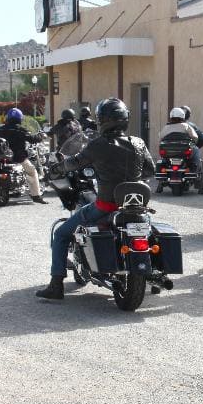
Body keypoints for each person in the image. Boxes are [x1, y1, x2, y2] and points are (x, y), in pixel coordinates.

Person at [35, 98, 155, 301]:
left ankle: (56, 286)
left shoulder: (98, 145)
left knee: (62, 233)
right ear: (125, 119)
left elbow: (74, 162)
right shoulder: (138, 142)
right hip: (136, 207)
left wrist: (56, 168)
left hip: (105, 206)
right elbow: (150, 169)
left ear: (102, 120)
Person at [0, 107, 48, 204]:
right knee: (32, 172)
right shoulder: (20, 130)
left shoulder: (0, 129)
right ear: (19, 118)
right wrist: (40, 136)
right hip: (17, 157)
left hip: (1, 157)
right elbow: (32, 139)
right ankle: (36, 196)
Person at [159, 106, 203, 193]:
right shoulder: (186, 126)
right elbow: (195, 137)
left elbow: (161, 137)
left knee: (162, 161)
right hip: (184, 153)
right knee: (196, 150)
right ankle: (199, 182)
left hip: (168, 153)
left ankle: (159, 186)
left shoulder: (166, 127)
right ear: (183, 116)